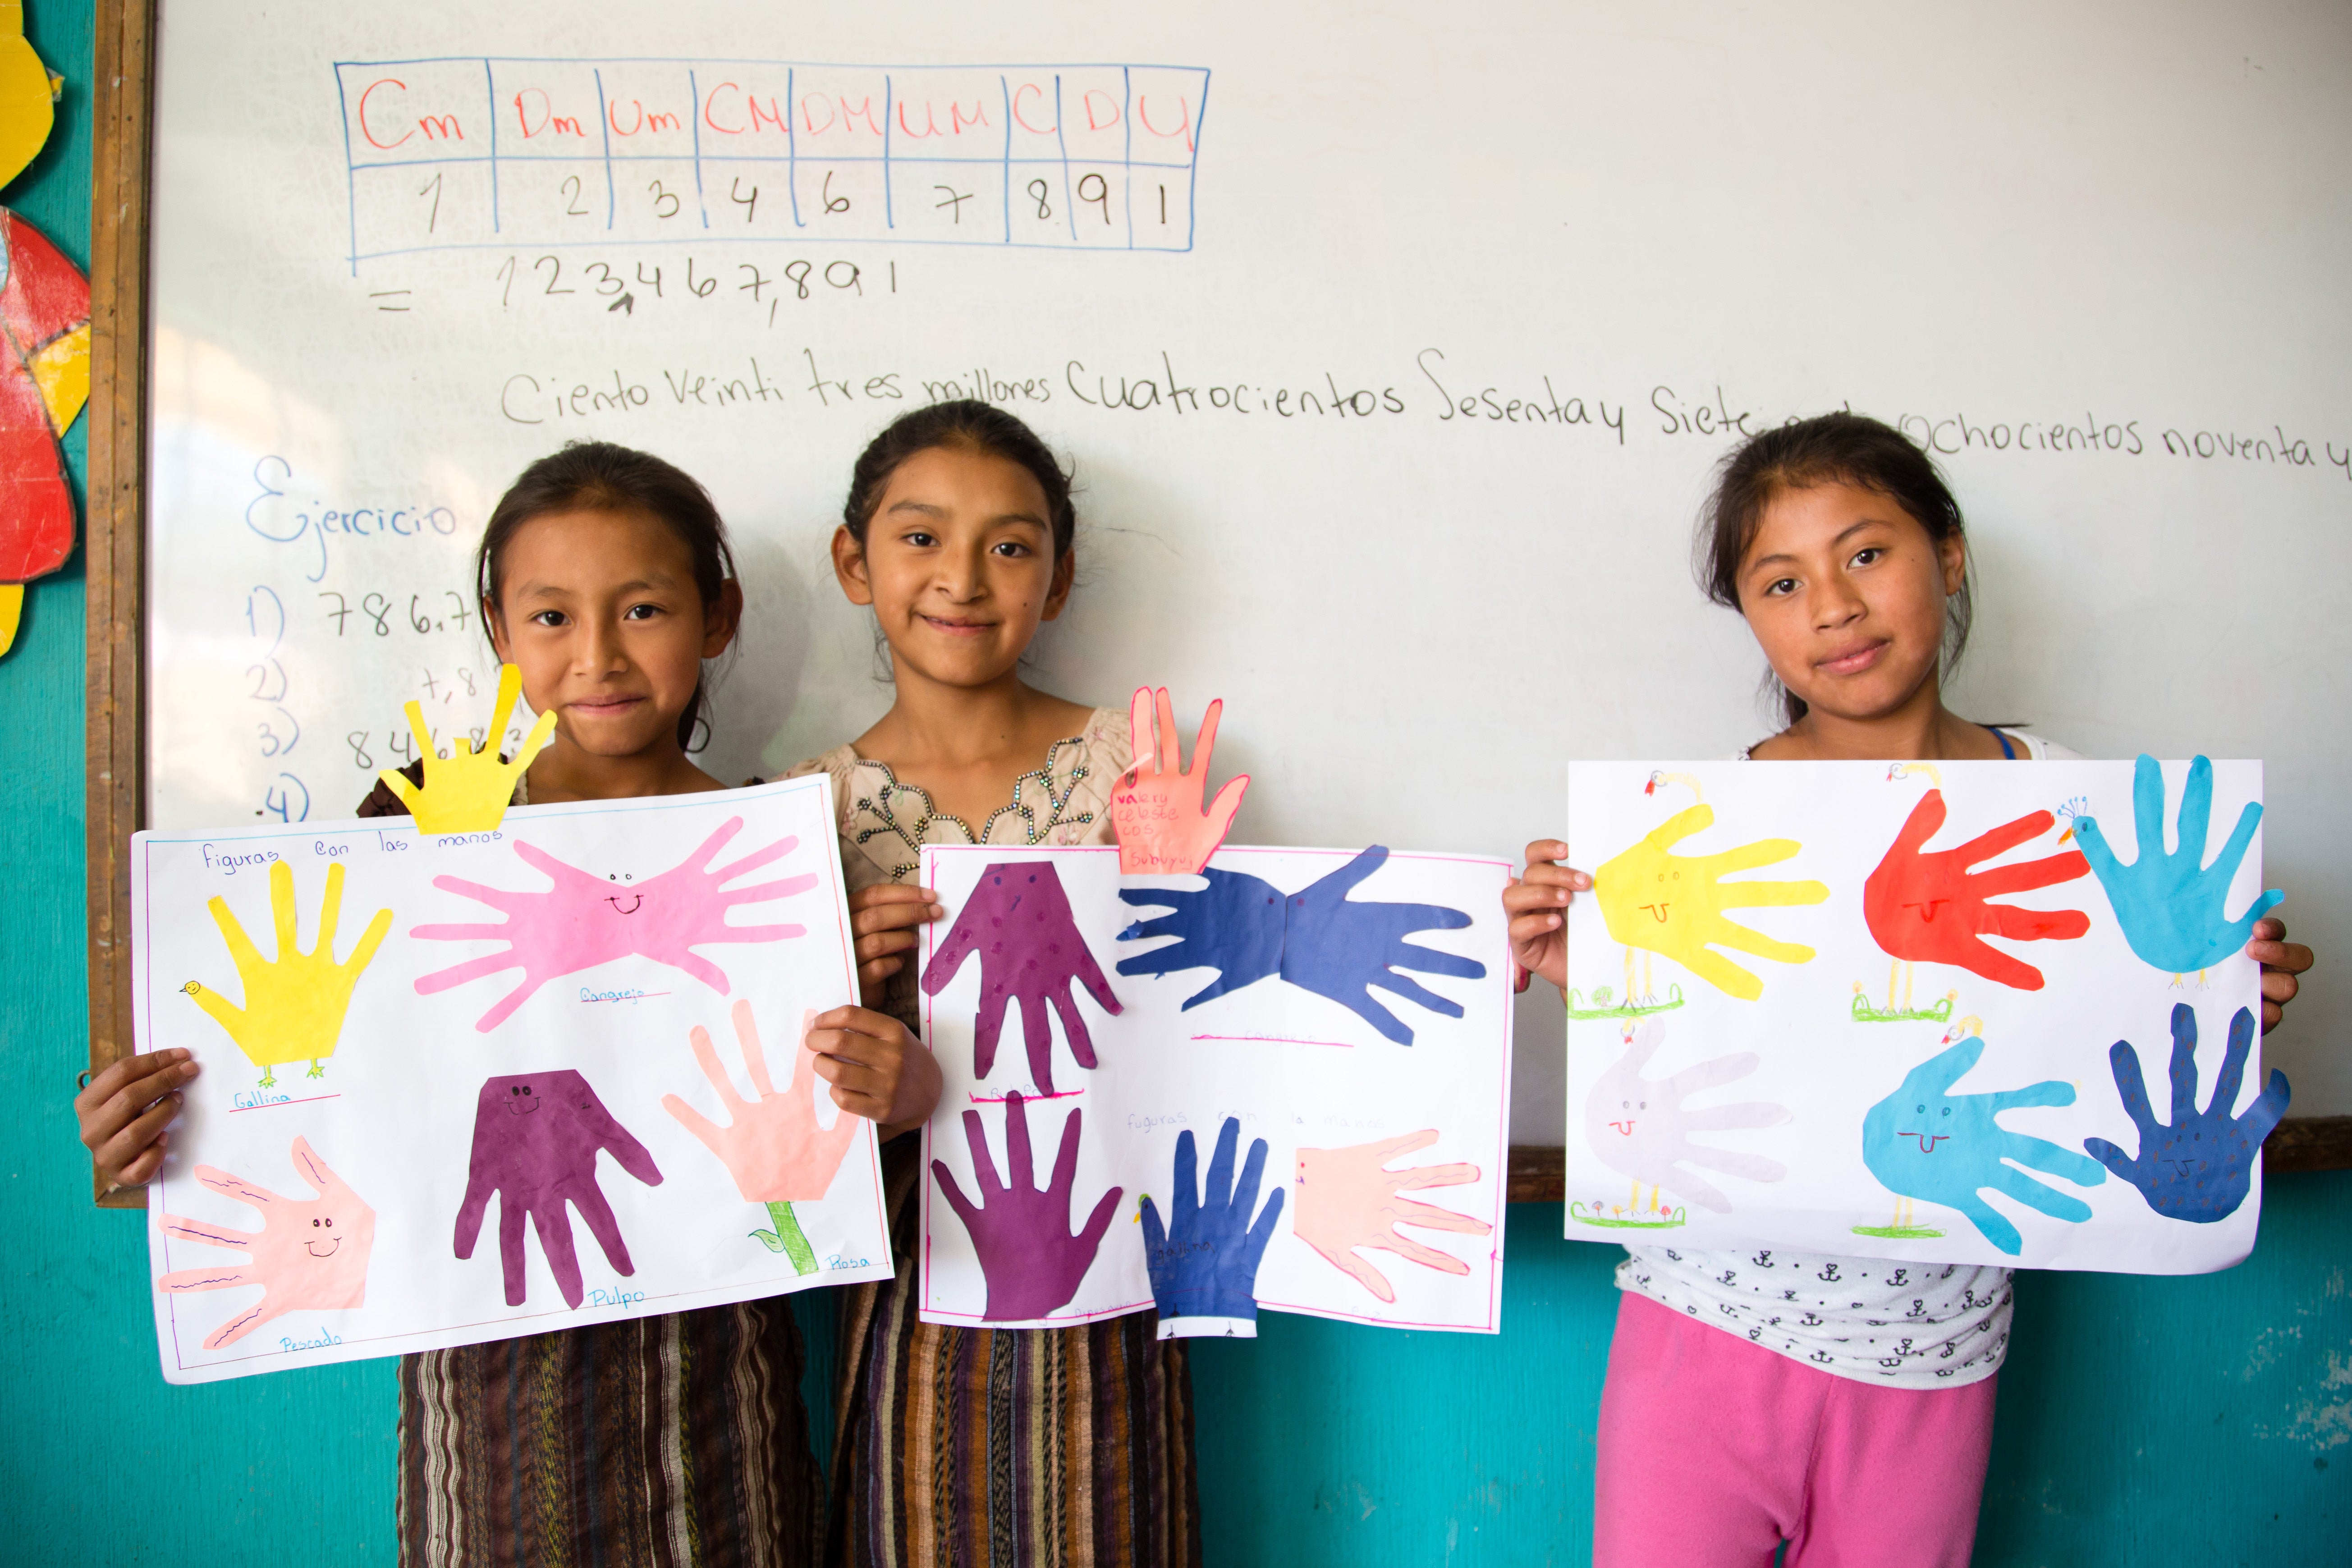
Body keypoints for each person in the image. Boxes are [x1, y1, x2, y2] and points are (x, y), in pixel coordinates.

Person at [76, 440, 940, 1568]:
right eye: (549, 618)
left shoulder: (773, 854)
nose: (598, 655)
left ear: (717, 615)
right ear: (495, 627)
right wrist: (164, 1121)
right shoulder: (405, 824)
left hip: (717, 1393)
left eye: (642, 609)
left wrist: (897, 1090)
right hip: (483, 1396)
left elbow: (811, 1146)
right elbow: (329, 1070)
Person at [1503, 412, 2315, 1568]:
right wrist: (1585, 966)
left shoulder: (2072, 803)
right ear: (1751, 619)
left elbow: (2113, 1014)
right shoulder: (1693, 834)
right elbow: (1687, 1038)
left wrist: (2217, 989)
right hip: (1705, 1324)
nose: (1830, 604)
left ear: (1948, 552)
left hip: (1936, 1352)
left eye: (1865, 554)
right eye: (1780, 582)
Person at [784, 400, 1199, 1566]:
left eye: (1011, 546)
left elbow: (1201, 1044)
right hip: (921, 1292)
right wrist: (862, 1008)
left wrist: (1180, 894)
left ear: (1058, 582)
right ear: (851, 561)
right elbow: (786, 1141)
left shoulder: (1137, 766)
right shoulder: (804, 810)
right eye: (920, 537)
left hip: (1112, 1283)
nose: (963, 577)